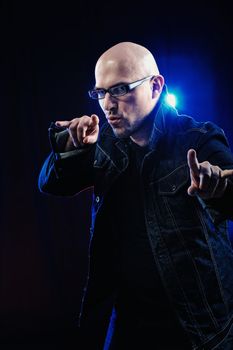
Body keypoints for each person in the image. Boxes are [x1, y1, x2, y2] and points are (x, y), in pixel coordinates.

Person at [38, 41, 233, 349]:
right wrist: (71, 150)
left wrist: (217, 187)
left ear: (155, 86)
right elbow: (50, 184)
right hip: (128, 322)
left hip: (197, 324)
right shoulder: (103, 142)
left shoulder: (198, 139)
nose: (107, 104)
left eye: (120, 89)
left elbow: (228, 187)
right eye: (100, 92)